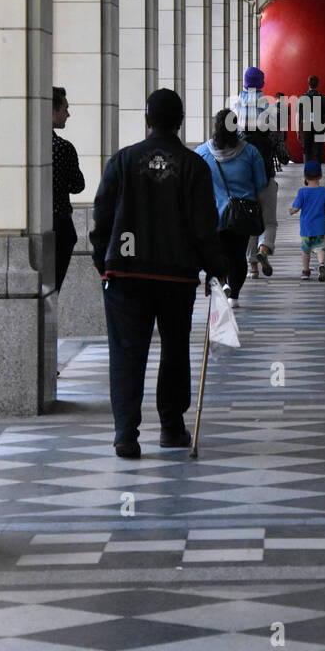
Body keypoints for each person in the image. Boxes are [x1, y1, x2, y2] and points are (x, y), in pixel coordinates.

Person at [89, 89, 226, 458]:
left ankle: (126, 434)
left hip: (126, 274)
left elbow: (102, 216)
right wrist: (216, 268)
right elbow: (204, 226)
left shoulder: (122, 161)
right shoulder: (193, 166)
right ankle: (171, 426)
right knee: (175, 349)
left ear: (147, 119)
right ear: (180, 122)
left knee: (126, 353)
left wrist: (105, 261)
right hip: (175, 276)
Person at [197, 109, 267, 307]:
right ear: (235, 127)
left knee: (219, 253)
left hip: (213, 216)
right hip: (241, 216)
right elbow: (261, 183)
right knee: (238, 255)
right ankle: (234, 294)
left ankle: (223, 281)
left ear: (215, 127)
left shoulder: (202, 153)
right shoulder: (250, 152)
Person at [234, 66, 280, 282]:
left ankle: (252, 266)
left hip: (244, 173)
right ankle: (264, 249)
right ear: (261, 83)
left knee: (250, 217)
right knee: (269, 220)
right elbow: (274, 133)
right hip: (265, 169)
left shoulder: (237, 104)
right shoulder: (267, 104)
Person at [52, 87, 85, 292]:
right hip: (60, 224)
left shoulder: (23, 146)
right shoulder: (63, 148)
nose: (68, 114)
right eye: (65, 109)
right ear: (52, 111)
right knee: (54, 287)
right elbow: (78, 185)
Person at [290, 159, 325, 282]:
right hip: (319, 228)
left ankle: (306, 271)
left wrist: (292, 210)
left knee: (306, 250)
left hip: (306, 228)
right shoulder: (323, 191)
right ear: (320, 176)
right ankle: (321, 264)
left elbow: (296, 208)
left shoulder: (302, 192)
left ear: (304, 176)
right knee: (320, 248)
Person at [298, 74, 325, 162]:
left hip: (306, 126)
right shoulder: (322, 98)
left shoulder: (302, 97)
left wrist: (297, 130)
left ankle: (307, 171)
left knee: (306, 150)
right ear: (317, 84)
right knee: (318, 150)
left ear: (308, 84)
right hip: (319, 126)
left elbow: (298, 115)